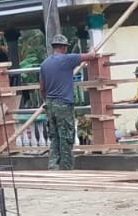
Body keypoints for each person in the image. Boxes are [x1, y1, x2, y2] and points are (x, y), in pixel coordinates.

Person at [37, 33, 98, 170]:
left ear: (54, 47)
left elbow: (42, 88)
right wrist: (93, 49)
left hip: (50, 104)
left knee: (54, 137)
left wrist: (46, 100)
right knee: (66, 138)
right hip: (63, 105)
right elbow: (90, 56)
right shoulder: (67, 59)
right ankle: (66, 168)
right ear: (64, 47)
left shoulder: (44, 64)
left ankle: (53, 166)